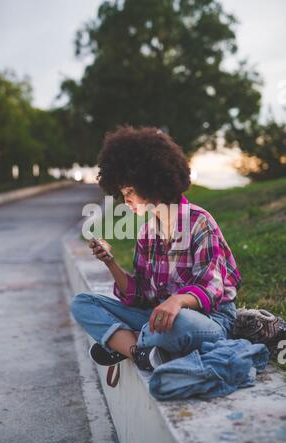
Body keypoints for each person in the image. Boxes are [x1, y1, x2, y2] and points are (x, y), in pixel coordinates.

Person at [70, 126, 242, 371]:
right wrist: (109, 262)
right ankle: (140, 352)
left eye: (130, 191)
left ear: (152, 183)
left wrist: (177, 301)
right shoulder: (146, 234)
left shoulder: (200, 222)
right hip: (157, 319)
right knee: (82, 303)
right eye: (122, 193)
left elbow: (211, 290)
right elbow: (140, 295)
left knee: (179, 323)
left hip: (207, 320)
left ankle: (121, 342)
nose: (126, 200)